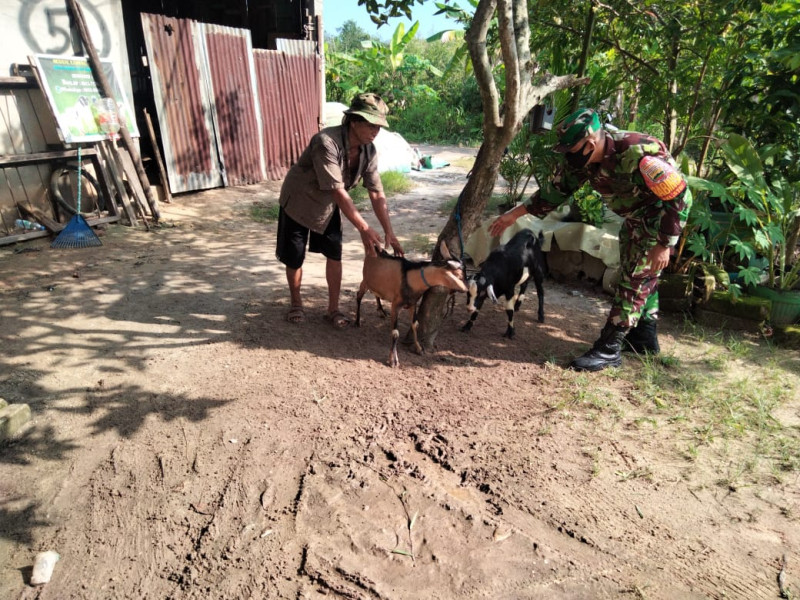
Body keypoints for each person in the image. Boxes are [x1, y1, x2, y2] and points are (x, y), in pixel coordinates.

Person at [489, 108, 692, 371]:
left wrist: (665, 243)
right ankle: (643, 339)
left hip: (660, 219)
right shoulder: (584, 160)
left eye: (570, 150)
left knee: (634, 281)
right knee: (641, 277)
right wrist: (513, 215)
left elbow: (680, 196)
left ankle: (609, 349)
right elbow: (554, 192)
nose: (567, 157)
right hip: (635, 220)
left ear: (590, 143)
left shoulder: (640, 156)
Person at [276, 93, 404, 328]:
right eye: (371, 125)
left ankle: (333, 309)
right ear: (354, 121)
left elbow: (376, 192)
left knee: (334, 253)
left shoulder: (369, 151)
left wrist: (389, 231)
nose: (375, 131)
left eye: (378, 126)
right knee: (295, 255)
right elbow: (337, 190)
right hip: (300, 202)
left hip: (328, 205)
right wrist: (364, 228)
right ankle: (296, 303)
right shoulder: (325, 142)